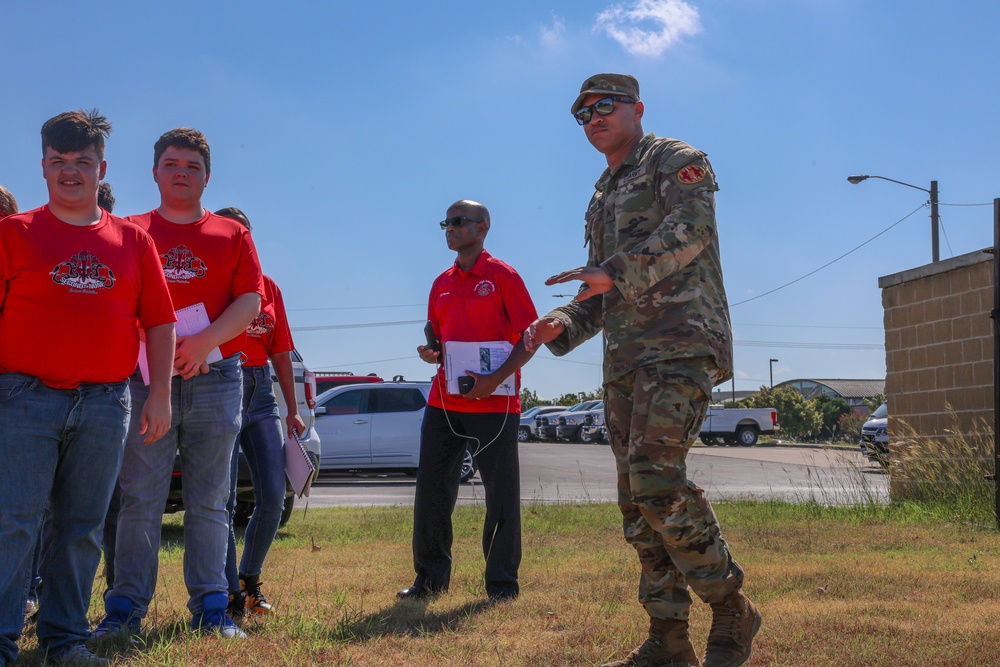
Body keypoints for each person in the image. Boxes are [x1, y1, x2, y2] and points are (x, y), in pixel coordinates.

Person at [524, 74, 761, 667]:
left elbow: (692, 231)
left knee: (656, 479)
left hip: (681, 344)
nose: (592, 118)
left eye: (604, 106)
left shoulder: (674, 160)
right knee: (636, 499)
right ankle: (667, 638)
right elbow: (604, 291)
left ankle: (731, 607)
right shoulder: (603, 192)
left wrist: (614, 270)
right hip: (626, 359)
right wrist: (562, 321)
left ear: (637, 108)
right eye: (581, 114)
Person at [0, 110, 175, 666]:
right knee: (13, 523)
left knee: (81, 529)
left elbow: (161, 323)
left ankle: (64, 640)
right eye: (59, 161)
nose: (70, 171)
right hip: (22, 400)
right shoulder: (13, 233)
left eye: (82, 162)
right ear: (43, 166)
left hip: (105, 404)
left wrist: (162, 395)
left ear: (102, 168)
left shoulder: (134, 241)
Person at [95, 128, 264, 640]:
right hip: (147, 382)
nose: (181, 173)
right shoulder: (129, 230)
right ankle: (124, 609)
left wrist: (202, 342)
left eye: (192, 166)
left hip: (216, 377)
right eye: (171, 164)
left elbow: (250, 302)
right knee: (139, 497)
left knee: (211, 499)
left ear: (207, 176)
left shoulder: (233, 236)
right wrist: (159, 348)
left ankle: (212, 609)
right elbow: (115, 301)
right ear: (154, 172)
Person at [397, 200, 538, 604]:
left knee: (501, 496)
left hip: (494, 405)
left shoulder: (502, 276)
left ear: (483, 228)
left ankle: (501, 586)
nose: (450, 228)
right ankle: (430, 579)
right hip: (444, 403)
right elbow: (440, 339)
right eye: (446, 222)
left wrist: (494, 380)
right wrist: (433, 352)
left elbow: (530, 338)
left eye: (458, 222)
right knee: (432, 492)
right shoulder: (441, 281)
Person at [215, 206, 305, 620]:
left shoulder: (268, 287)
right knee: (225, 499)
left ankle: (250, 579)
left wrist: (293, 409)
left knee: (273, 495)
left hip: (260, 394)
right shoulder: (210, 284)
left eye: (243, 235)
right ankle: (229, 590)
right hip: (218, 388)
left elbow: (281, 352)